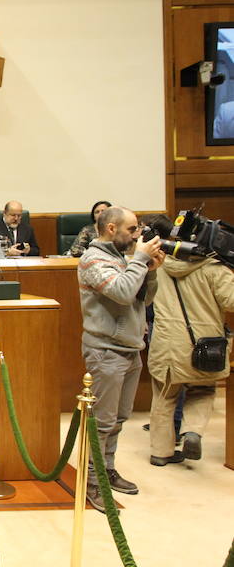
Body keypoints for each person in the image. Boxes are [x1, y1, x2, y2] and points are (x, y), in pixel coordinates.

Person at [77, 206, 164, 512]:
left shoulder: (122, 258)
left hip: (129, 348)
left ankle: (107, 470)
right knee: (100, 423)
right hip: (105, 350)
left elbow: (143, 298)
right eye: (131, 229)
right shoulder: (93, 259)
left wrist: (150, 271)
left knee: (118, 419)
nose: (137, 235)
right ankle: (92, 483)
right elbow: (122, 292)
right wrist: (140, 260)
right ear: (111, 229)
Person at [147, 226, 234, 466]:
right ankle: (192, 432)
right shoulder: (215, 269)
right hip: (205, 345)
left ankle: (160, 452)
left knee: (164, 397)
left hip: (166, 343)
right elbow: (231, 301)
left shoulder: (161, 264)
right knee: (203, 390)